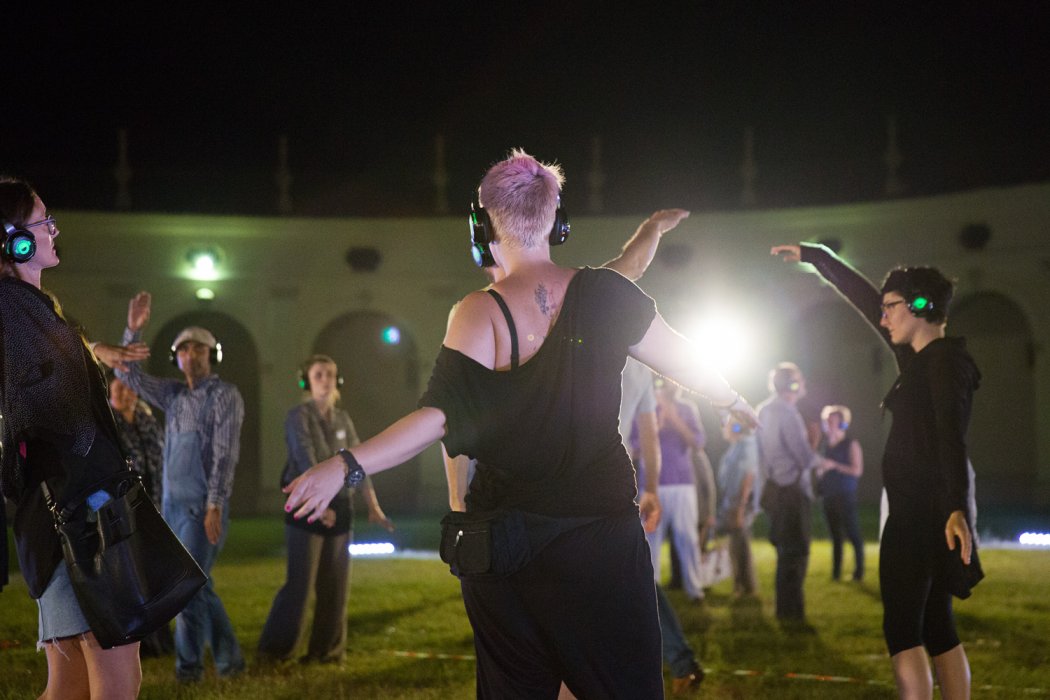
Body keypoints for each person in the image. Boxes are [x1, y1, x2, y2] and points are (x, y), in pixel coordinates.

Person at [285, 150, 756, 698]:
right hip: (602, 535)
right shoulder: (607, 293)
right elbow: (686, 360)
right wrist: (731, 399)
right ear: (558, 222)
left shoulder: (478, 311)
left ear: (483, 227)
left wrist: (345, 465)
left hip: (507, 544)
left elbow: (437, 418)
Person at [772, 243, 982, 699]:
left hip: (920, 514)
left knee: (903, 629)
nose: (883, 318)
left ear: (920, 306)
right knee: (936, 623)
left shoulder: (943, 364)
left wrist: (955, 508)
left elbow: (951, 437)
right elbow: (867, 301)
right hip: (926, 509)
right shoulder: (924, 359)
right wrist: (820, 257)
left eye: (892, 308)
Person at [0, 176, 142, 698]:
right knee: (115, 681)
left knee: (72, 686)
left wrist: (92, 351)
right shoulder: (12, 309)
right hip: (75, 513)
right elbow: (45, 406)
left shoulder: (27, 308)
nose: (54, 230)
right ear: (14, 240)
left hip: (59, 511)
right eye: (44, 222)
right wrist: (102, 469)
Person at [115, 303, 246, 682]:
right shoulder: (173, 395)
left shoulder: (225, 395)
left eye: (199, 348)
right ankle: (230, 662)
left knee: (186, 588)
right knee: (199, 586)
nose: (191, 355)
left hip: (201, 507)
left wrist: (215, 504)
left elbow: (224, 454)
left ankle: (188, 671)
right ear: (177, 358)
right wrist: (132, 330)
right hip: (172, 507)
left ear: (212, 354)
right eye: (184, 349)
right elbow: (127, 374)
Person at [258, 355, 393, 665]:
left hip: (342, 508)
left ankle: (327, 652)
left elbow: (359, 462)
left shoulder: (343, 419)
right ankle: (276, 651)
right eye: (319, 374)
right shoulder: (298, 417)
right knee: (300, 586)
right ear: (306, 381)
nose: (326, 380)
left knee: (335, 587)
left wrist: (373, 505)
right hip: (307, 505)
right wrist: (321, 507)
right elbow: (305, 460)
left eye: (330, 374)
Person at [755, 362, 833, 622]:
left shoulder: (763, 410)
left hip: (773, 489)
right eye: (800, 380)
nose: (804, 385)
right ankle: (792, 613)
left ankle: (784, 610)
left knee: (784, 551)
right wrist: (822, 460)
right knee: (796, 552)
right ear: (793, 384)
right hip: (791, 491)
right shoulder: (787, 413)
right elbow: (803, 456)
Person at [635, 379, 707, 602]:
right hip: (651, 485)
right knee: (650, 538)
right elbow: (633, 447)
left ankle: (695, 590)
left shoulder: (687, 408)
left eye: (672, 382)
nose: (670, 386)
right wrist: (655, 427)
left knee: (687, 537)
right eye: (664, 382)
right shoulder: (644, 406)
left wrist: (675, 419)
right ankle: (651, 592)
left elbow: (698, 443)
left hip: (683, 483)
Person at [817, 404, 865, 581]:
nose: (828, 424)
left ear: (842, 423)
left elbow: (857, 470)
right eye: (826, 421)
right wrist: (821, 471)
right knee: (835, 536)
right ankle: (836, 574)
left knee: (853, 533)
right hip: (828, 495)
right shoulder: (825, 445)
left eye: (832, 421)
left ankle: (859, 571)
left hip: (845, 495)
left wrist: (835, 466)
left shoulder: (851, 444)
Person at [716, 416, 759, 598]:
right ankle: (740, 585)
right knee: (736, 543)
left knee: (740, 543)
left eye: (726, 425)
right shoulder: (736, 446)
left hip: (740, 503)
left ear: (736, 428)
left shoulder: (746, 445)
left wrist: (740, 506)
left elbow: (749, 475)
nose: (723, 429)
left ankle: (746, 587)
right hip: (732, 502)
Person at [109, 376, 164, 506]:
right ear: (110, 391)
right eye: (120, 388)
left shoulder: (148, 420)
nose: (126, 393)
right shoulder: (108, 423)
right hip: (123, 499)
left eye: (130, 388)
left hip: (156, 495)